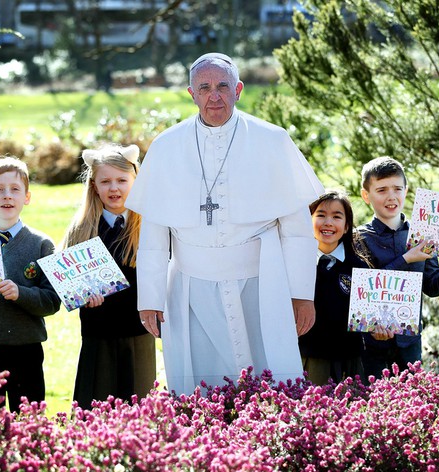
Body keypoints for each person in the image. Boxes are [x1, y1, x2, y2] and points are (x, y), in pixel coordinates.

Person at [124, 52, 324, 395]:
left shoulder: (272, 140)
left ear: (239, 90)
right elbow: (154, 236)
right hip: (190, 286)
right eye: (204, 88)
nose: (213, 96)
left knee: (269, 380)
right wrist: (150, 297)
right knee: (201, 384)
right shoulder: (166, 146)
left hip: (262, 283)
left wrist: (302, 295)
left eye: (222, 86)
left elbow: (296, 229)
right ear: (191, 93)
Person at [61, 143, 156, 409]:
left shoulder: (151, 226)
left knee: (138, 407)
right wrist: (82, 296)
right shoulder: (81, 230)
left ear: (136, 181)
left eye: (121, 180)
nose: (114, 188)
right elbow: (68, 284)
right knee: (94, 407)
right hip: (97, 334)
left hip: (138, 332)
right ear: (94, 186)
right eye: (105, 181)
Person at [358, 156, 439, 379]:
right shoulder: (359, 238)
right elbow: (363, 291)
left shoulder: (422, 233)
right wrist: (406, 259)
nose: (391, 196)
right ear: (366, 195)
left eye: (397, 189)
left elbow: (432, 285)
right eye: (381, 190)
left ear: (406, 190)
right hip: (372, 348)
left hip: (410, 345)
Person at [0, 156, 60, 412]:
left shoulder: (41, 244)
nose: (7, 196)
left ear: (27, 197)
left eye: (15, 189)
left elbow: (52, 301)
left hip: (26, 349)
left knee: (29, 420)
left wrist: (21, 293)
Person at [299, 190, 372, 385]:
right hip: (310, 357)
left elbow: (369, 318)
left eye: (337, 217)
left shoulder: (359, 267)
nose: (328, 222)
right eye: (321, 215)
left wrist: (379, 329)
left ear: (347, 226)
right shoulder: (296, 264)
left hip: (350, 360)